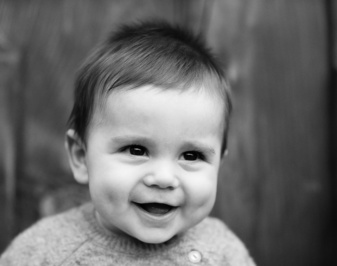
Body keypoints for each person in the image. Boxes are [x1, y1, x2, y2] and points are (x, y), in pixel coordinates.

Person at [0, 20, 255, 265]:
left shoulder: (223, 250)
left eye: (191, 156)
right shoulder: (42, 252)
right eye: (137, 150)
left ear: (218, 165)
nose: (164, 178)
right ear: (81, 157)